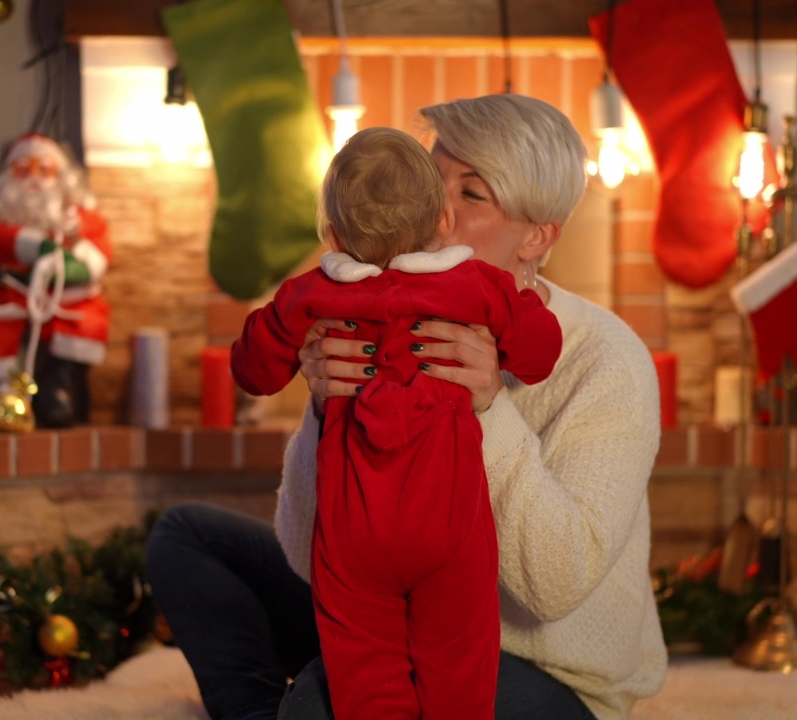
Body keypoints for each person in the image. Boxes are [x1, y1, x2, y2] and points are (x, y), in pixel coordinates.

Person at [146, 94, 667, 720]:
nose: (436, 209)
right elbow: (304, 551)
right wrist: (323, 410)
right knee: (188, 536)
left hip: (543, 672)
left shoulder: (606, 359)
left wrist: (488, 408)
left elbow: (555, 587)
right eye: (429, 175)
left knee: (323, 701)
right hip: (388, 608)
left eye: (471, 194)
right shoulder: (373, 310)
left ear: (537, 236)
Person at [230, 126, 563, 720]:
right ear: (442, 221)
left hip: (355, 530)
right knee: (460, 672)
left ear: (332, 234)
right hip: (448, 526)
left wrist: (283, 331)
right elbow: (539, 354)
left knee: (366, 676)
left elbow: (252, 369)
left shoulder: (311, 295)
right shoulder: (476, 286)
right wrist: (523, 305)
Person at [0, 133, 111, 428]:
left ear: (61, 177)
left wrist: (79, 267)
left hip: (63, 294)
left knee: (86, 319)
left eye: (43, 170)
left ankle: (57, 388)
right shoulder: (0, 213)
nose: (33, 178)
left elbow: (100, 249)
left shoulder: (79, 216)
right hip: (13, 287)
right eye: (23, 170)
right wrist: (35, 246)